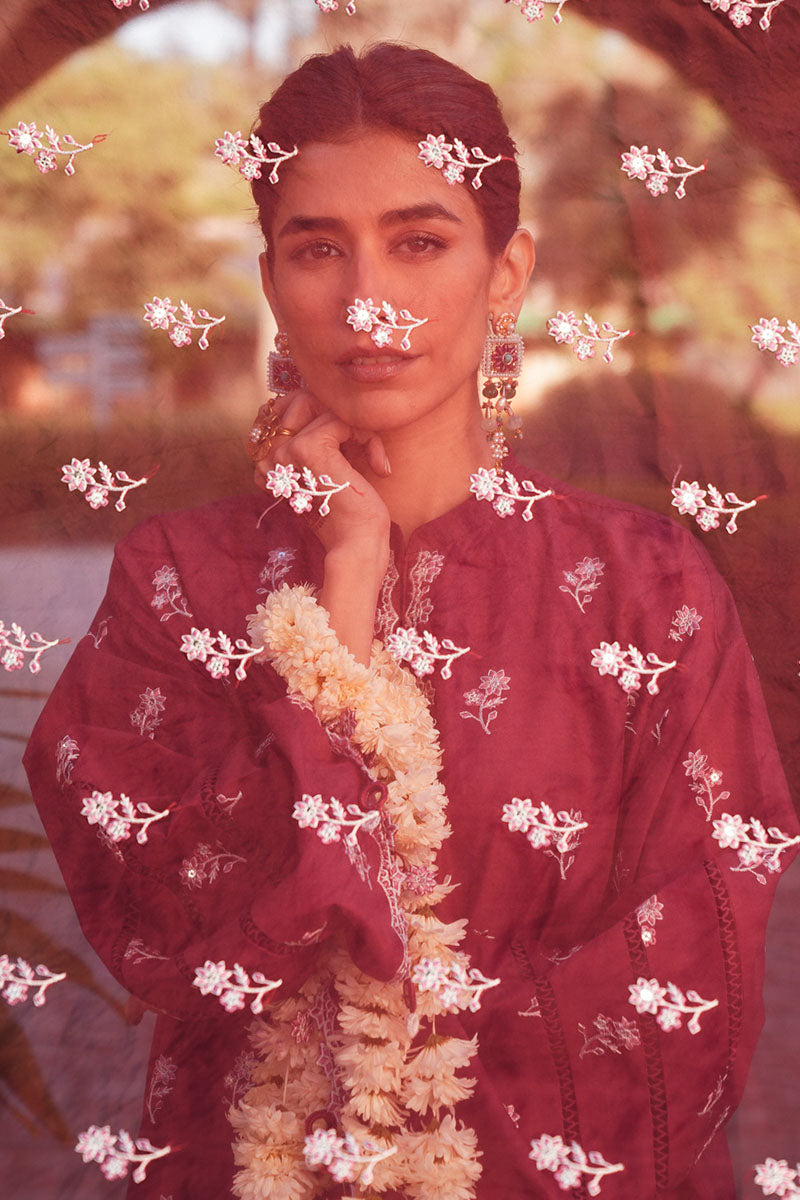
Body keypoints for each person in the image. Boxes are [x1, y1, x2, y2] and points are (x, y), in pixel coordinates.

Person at [24, 42, 799, 1200]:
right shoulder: (177, 582)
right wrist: (344, 584)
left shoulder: (647, 590)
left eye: (419, 242)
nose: (366, 300)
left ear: (506, 272)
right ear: (270, 280)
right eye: (317, 248)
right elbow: (176, 922)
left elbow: (692, 977)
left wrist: (422, 1098)